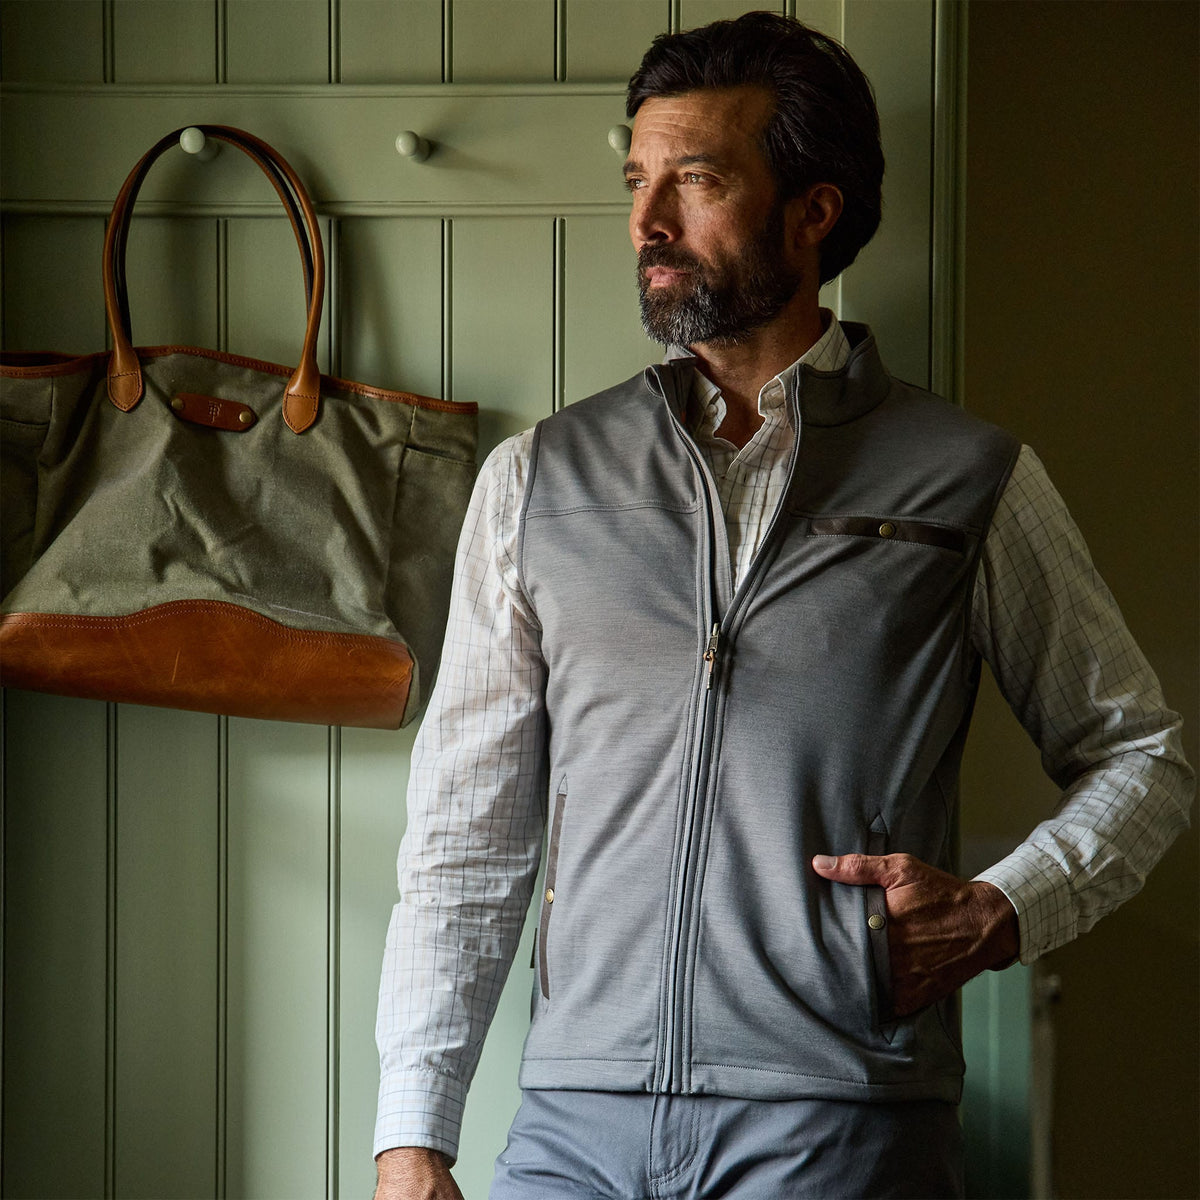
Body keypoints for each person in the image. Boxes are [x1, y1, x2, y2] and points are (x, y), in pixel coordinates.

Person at [372, 12, 1193, 1199]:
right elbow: (466, 836)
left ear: (814, 210)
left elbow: (1143, 751)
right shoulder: (538, 481)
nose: (648, 224)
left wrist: (1008, 908)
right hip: (572, 1133)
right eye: (638, 180)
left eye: (696, 182)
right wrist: (413, 1136)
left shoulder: (967, 478)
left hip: (840, 1125)